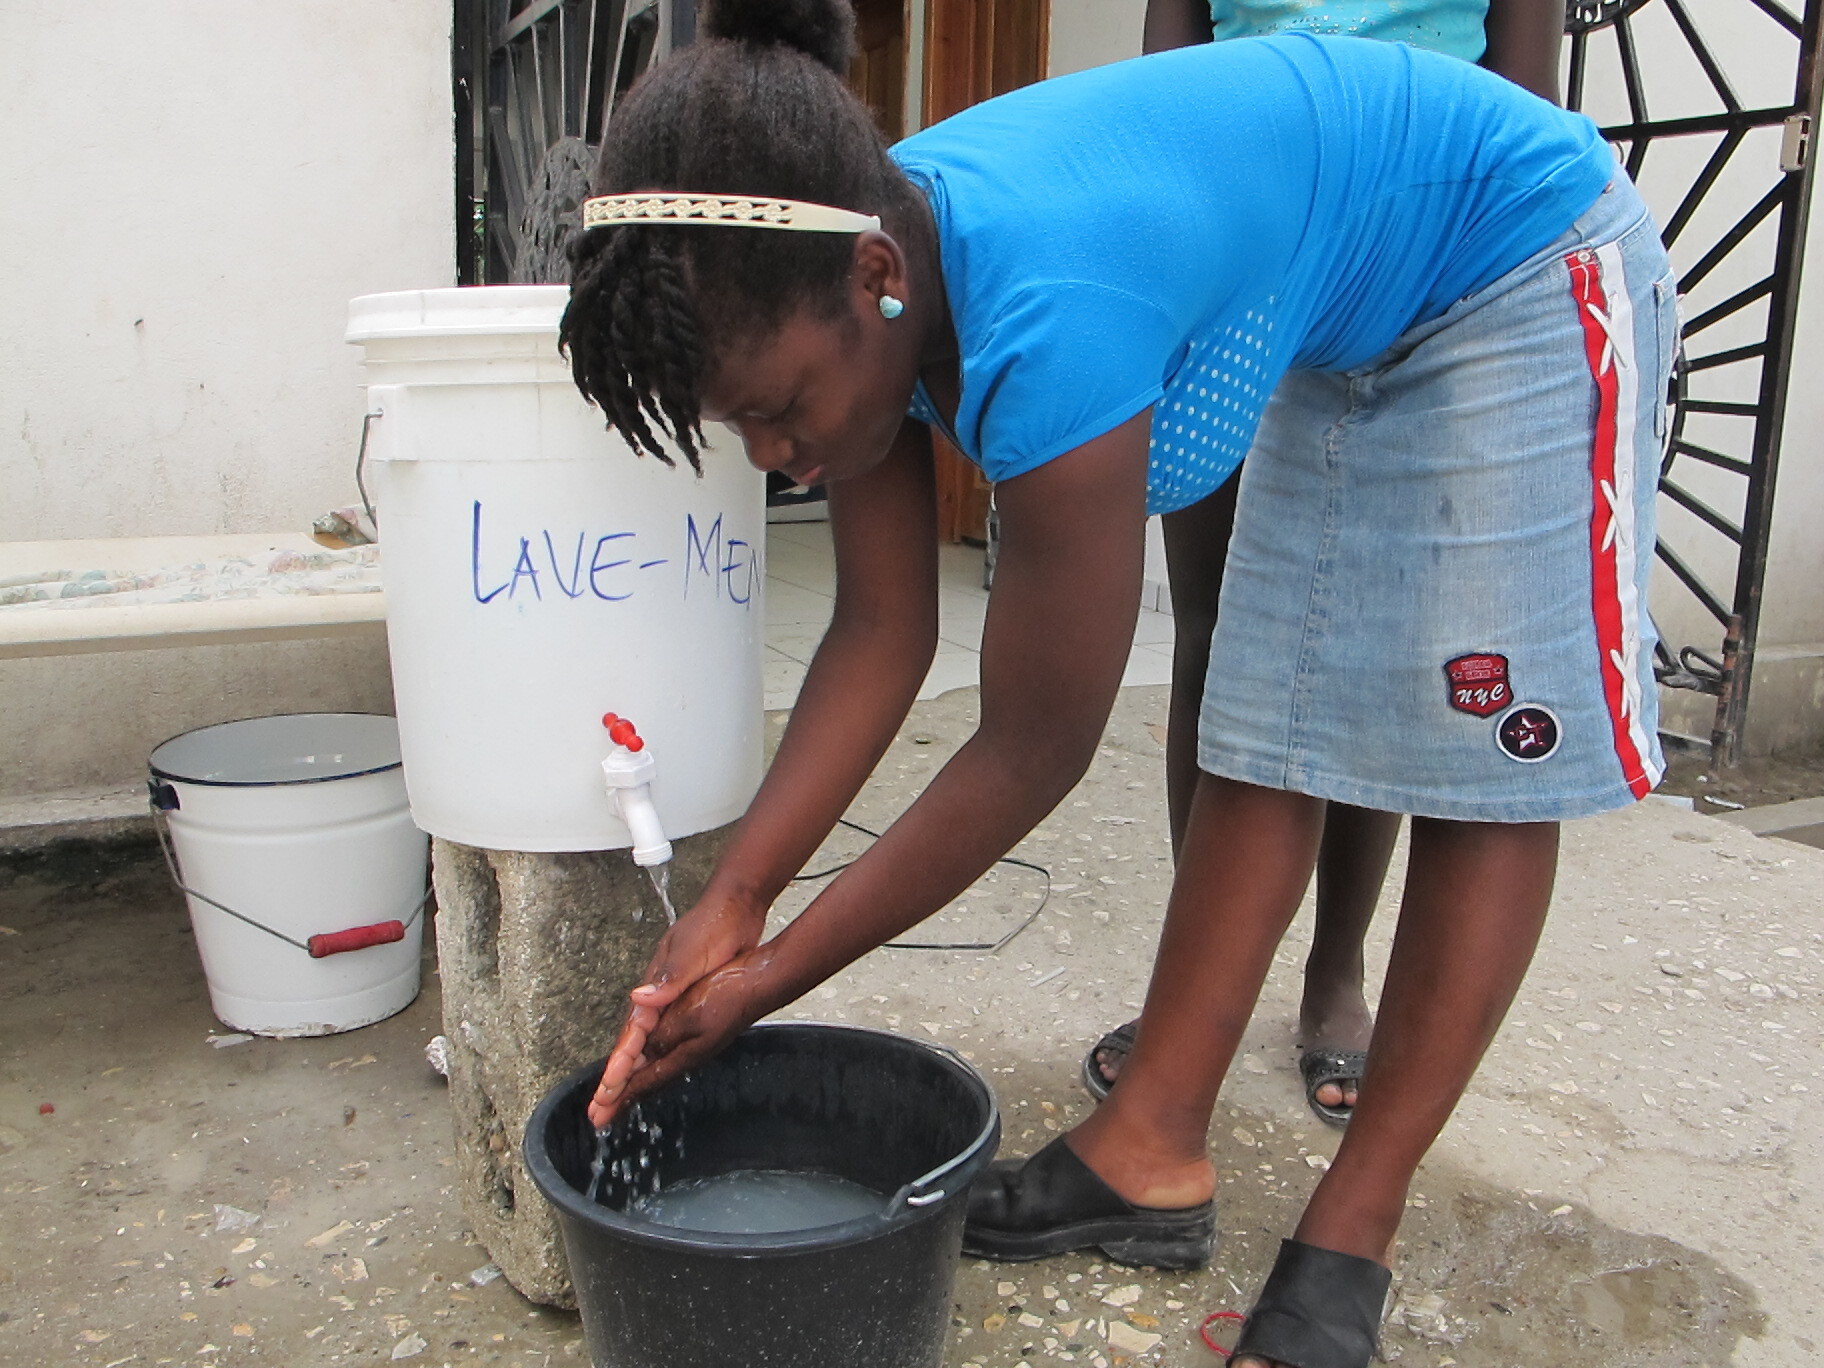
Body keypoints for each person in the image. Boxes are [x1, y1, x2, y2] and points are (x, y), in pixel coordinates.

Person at [562, 3, 1674, 1364]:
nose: (781, 458)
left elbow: (1034, 747)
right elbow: (878, 633)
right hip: (1364, 295)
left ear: (874, 281)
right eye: (744, 431)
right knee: (1266, 734)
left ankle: (1353, 1232)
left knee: (1478, 766)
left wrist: (773, 977)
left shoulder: (1045, 313)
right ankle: (1149, 1145)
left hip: (1519, 255)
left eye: (783, 411)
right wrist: (734, 898)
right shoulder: (847, 255)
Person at [1078, 0, 1570, 1125]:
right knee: (1213, 631)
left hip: (1418, 263)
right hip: (1245, 242)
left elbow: (1524, 100)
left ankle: (1333, 973)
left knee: (1372, 640)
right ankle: (1195, 979)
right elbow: (1174, 59)